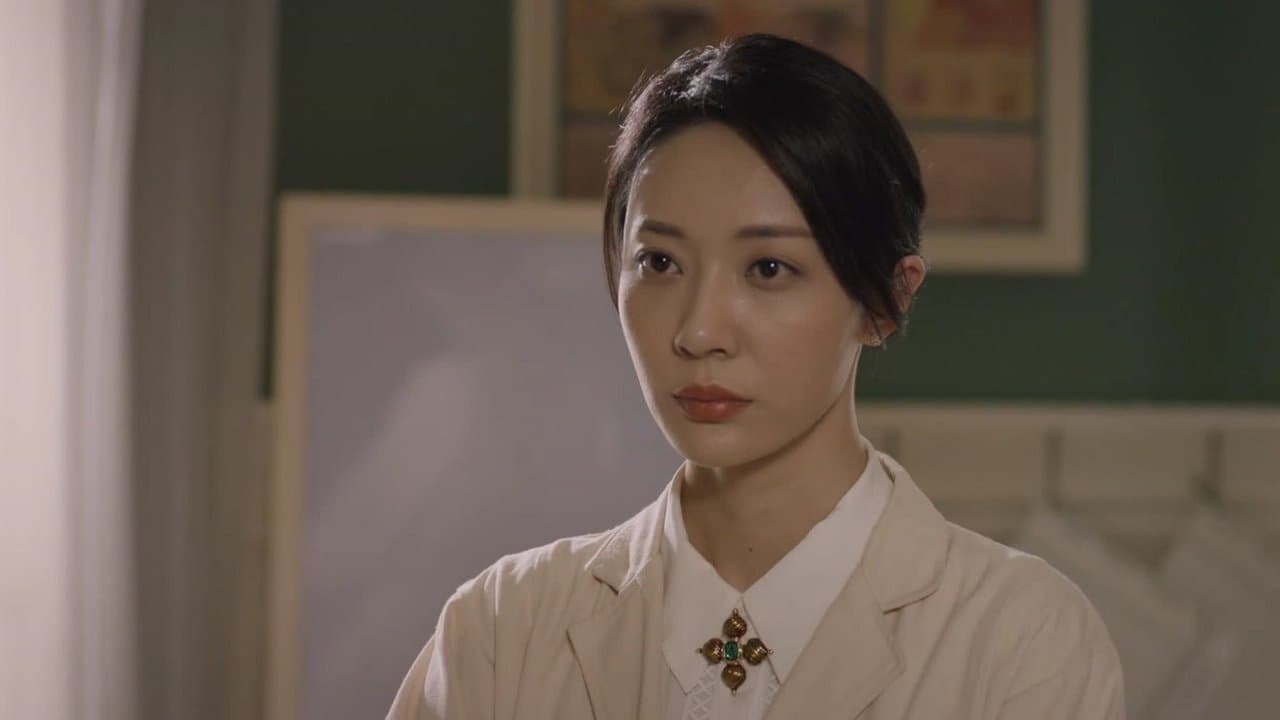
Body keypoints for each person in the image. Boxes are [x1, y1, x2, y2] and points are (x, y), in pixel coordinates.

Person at [387, 33, 1124, 720]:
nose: (698, 332)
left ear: (887, 301)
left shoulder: (1018, 641)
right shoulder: (501, 632)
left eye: (769, 268)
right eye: (660, 263)